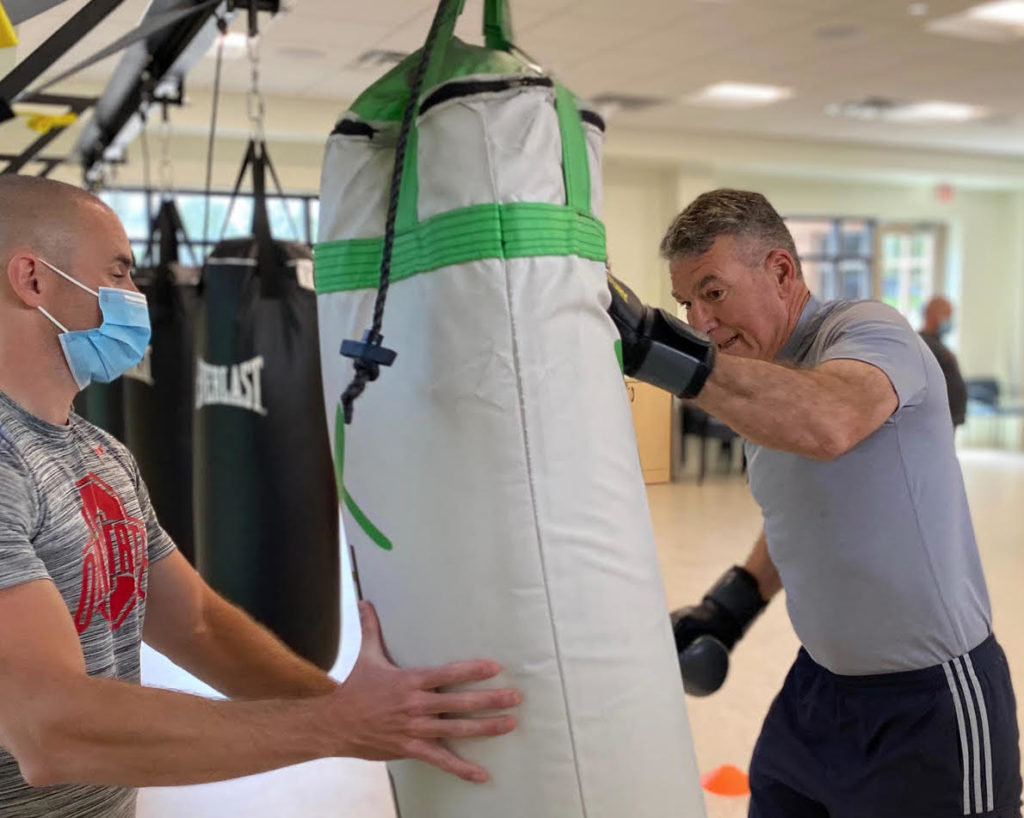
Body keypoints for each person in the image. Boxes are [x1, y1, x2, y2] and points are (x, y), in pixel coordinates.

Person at [0, 175, 521, 817]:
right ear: (33, 279)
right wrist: (335, 728)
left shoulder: (100, 453)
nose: (138, 296)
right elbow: (48, 729)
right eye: (121, 272)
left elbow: (195, 624)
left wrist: (353, 707)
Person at [616, 188, 1020, 818]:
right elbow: (805, 513)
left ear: (780, 270)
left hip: (930, 703)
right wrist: (731, 605)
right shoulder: (759, 378)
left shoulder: (866, 329)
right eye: (685, 306)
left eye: (714, 292)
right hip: (818, 694)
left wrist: (654, 349)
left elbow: (831, 420)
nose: (700, 322)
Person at [920, 294, 968, 427]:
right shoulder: (923, 345)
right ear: (932, 314)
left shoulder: (939, 344)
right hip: (936, 420)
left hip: (950, 417)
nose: (949, 320)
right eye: (947, 315)